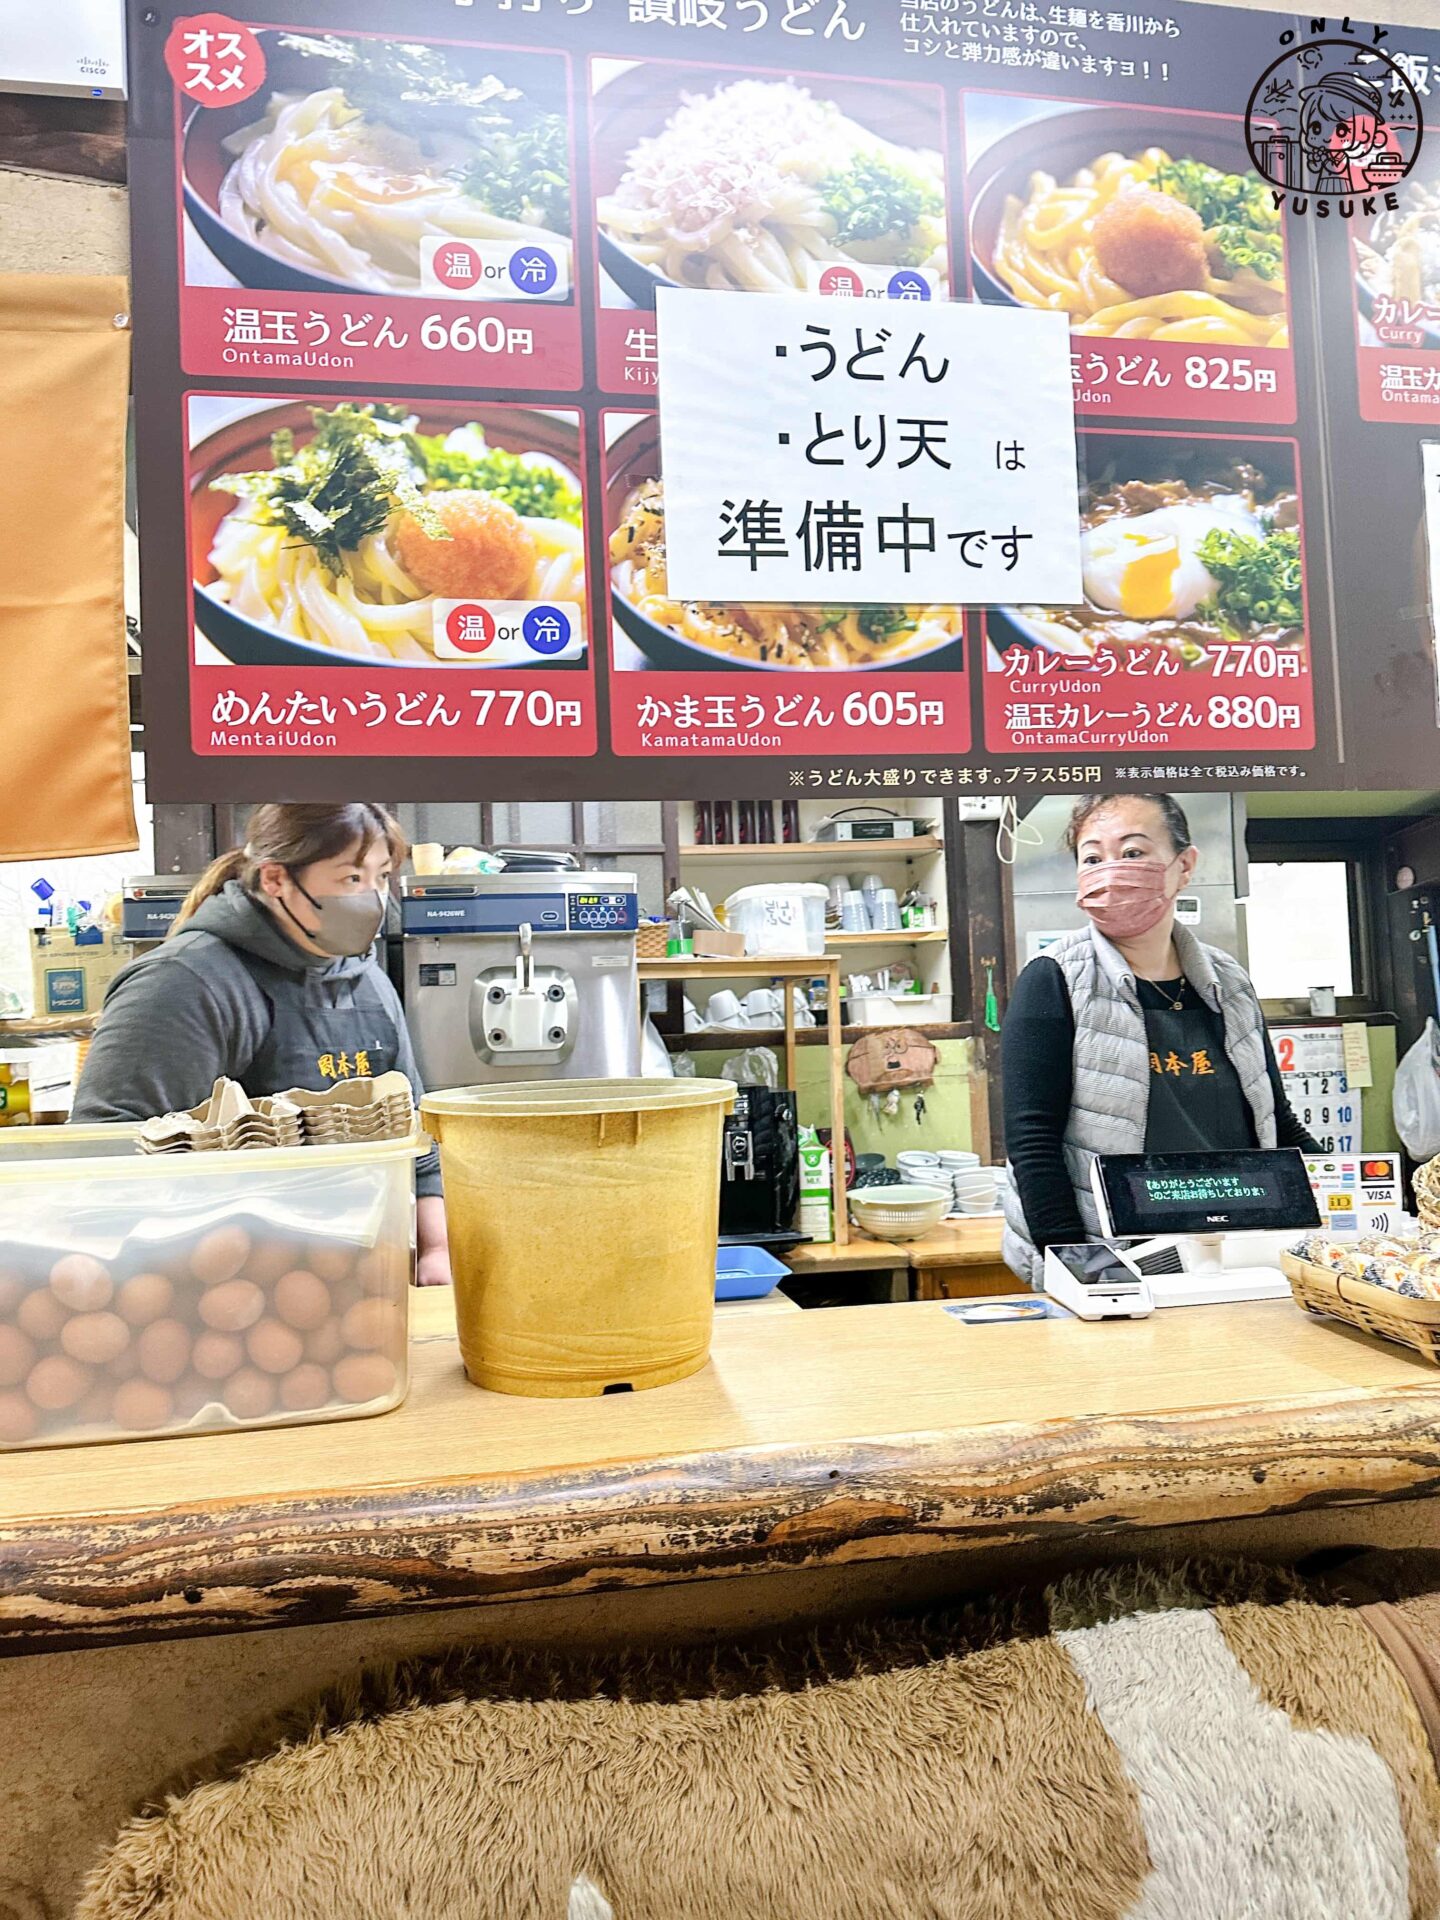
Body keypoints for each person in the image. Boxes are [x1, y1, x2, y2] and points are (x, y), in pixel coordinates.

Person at [71, 802, 450, 1287]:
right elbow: (105, 1147)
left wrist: (435, 1250)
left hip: (360, 1273)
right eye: (351, 879)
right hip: (210, 1278)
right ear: (275, 880)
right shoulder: (185, 983)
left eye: (380, 878)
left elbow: (413, 1136)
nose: (374, 899)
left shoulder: (367, 980)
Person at [1000, 791, 1316, 1287]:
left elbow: (1277, 1121)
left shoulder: (1229, 981)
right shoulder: (1055, 978)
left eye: (1132, 852)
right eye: (1092, 858)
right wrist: (1083, 1266)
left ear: (1184, 864)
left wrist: (1358, 1206)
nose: (1112, 871)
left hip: (1239, 1246)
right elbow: (1032, 1143)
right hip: (1118, 1256)